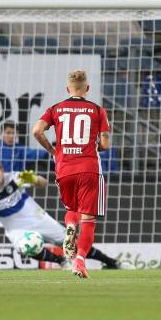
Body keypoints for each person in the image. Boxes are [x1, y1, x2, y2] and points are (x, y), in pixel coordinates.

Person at [0, 155, 122, 269]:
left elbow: (44, 183)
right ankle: (61, 261)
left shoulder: (15, 178)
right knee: (27, 246)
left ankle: (112, 263)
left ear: (2, 170)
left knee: (71, 242)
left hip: (39, 219)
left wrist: (33, 178)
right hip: (17, 230)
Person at [32, 69, 111, 278]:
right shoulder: (97, 110)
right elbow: (105, 143)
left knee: (72, 209)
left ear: (68, 89)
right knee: (88, 219)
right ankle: (80, 261)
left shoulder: (56, 109)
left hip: (64, 169)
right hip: (89, 169)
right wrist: (91, 146)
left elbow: (36, 131)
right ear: (87, 89)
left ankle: (69, 226)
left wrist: (52, 149)